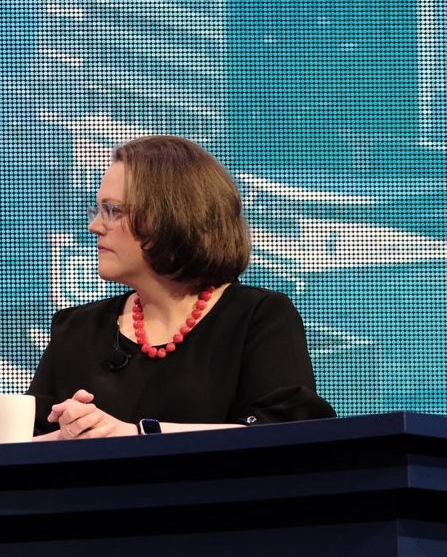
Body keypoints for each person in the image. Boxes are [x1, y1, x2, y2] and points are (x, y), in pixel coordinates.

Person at [27, 133, 335, 440]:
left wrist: (134, 435)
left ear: (169, 218)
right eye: (97, 210)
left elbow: (288, 434)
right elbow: (17, 448)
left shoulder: (258, 317)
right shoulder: (76, 328)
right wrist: (67, 436)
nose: (94, 226)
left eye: (113, 210)